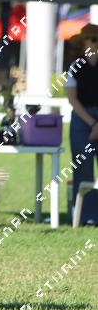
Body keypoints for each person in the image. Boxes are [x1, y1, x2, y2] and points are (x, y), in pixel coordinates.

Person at [65, 23, 98, 225]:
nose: (92, 44)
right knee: (83, 170)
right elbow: (72, 99)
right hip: (81, 119)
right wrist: (93, 123)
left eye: (95, 40)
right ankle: (86, 217)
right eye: (89, 40)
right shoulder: (75, 66)